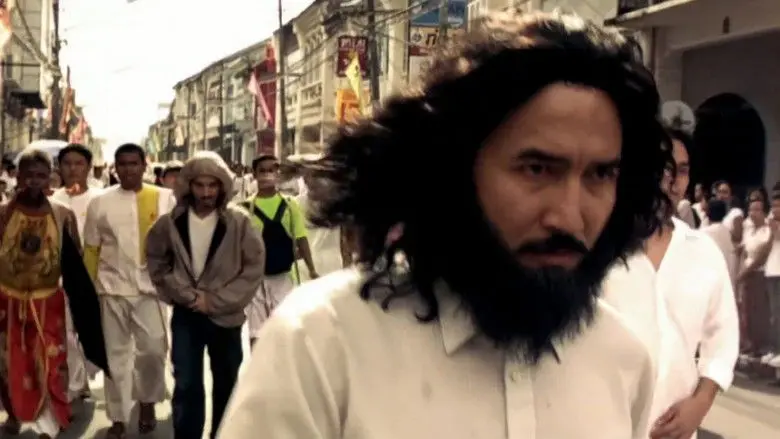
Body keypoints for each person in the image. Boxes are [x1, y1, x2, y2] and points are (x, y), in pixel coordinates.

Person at [217, 11, 671, 439]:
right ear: (453, 171)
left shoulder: (623, 361)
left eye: (600, 174)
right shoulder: (321, 344)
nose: (570, 216)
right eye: (536, 169)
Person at [605, 125, 739, 439]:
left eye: (682, 171)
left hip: (671, 426)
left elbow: (723, 338)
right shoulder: (602, 246)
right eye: (664, 168)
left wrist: (700, 404)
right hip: (603, 422)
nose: (672, 181)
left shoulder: (703, 251)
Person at [146, 151, 264, 439]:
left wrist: (213, 301)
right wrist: (182, 293)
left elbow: (253, 269)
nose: (206, 192)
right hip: (186, 314)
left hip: (227, 317)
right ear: (189, 185)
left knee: (227, 384)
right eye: (200, 185)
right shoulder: (170, 222)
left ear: (223, 186)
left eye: (213, 185)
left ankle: (223, 434)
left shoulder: (239, 222)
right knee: (186, 383)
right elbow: (156, 260)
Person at [0, 148, 109, 439]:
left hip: (48, 302)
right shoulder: (2, 213)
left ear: (50, 177)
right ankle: (14, 414)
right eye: (29, 175)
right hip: (7, 301)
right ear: (18, 176)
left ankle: (49, 423)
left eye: (41, 175)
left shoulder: (62, 215)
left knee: (51, 362)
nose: (34, 181)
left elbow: (73, 262)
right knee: (9, 364)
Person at [82, 143, 176, 439]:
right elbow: (92, 249)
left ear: (144, 165)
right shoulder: (101, 203)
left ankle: (147, 402)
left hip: (150, 292)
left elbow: (175, 245)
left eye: (133, 163)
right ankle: (118, 418)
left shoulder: (164, 198)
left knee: (153, 351)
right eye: (122, 164)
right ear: (115, 167)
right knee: (115, 356)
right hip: (111, 291)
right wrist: (86, 292)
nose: (128, 169)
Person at [242, 154, 318, 347]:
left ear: (278, 174)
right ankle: (260, 366)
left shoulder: (290, 205)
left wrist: (311, 269)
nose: (267, 174)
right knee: (257, 333)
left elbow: (301, 238)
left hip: (285, 278)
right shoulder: (245, 209)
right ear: (254, 175)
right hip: (256, 281)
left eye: (272, 170)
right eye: (262, 171)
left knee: (286, 329)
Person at [51, 144, 104, 402]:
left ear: (88, 167)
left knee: (93, 330)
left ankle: (86, 373)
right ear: (59, 168)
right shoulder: (52, 201)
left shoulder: (101, 199)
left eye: (79, 163)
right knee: (67, 331)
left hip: (97, 276)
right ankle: (74, 383)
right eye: (67, 163)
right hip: (61, 277)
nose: (73, 169)